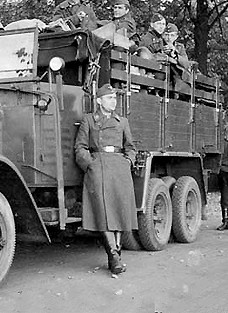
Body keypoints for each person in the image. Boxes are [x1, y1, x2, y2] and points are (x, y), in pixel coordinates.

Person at [74, 83, 138, 275]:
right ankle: (113, 255)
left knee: (119, 211)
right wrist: (90, 165)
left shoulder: (122, 122)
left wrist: (128, 161)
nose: (114, 101)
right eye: (110, 98)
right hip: (99, 167)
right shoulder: (89, 120)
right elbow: (80, 147)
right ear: (99, 101)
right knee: (103, 213)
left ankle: (115, 253)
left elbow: (131, 147)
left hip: (119, 168)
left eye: (115, 98)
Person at [217, 124, 228, 231]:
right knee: (225, 198)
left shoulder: (221, 142)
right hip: (224, 171)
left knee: (225, 198)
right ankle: (225, 221)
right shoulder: (222, 142)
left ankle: (225, 221)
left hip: (224, 170)